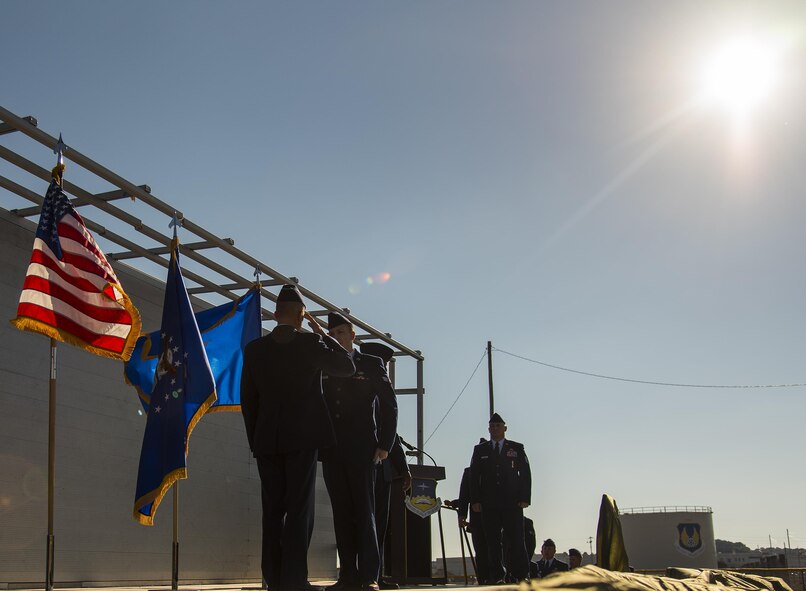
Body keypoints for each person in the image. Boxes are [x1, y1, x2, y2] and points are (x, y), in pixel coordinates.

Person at [240, 284, 355, 591]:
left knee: (273, 509)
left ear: (275, 314)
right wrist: (327, 337)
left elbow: (248, 401)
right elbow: (346, 366)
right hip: (302, 440)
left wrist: (256, 440)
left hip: (267, 441)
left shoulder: (254, 350)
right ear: (302, 316)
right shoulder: (311, 343)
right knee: (299, 508)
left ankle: (274, 579)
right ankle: (294, 580)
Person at [318, 313, 398, 591]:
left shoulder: (370, 363)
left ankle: (369, 577)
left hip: (363, 447)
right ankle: (347, 576)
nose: (337, 337)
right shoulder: (325, 364)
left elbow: (389, 404)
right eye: (333, 333)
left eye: (342, 332)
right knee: (341, 511)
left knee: (365, 512)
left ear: (353, 335)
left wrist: (385, 444)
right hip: (333, 447)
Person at [361, 342, 411, 591]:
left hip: (385, 469)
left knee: (379, 523)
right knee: (366, 521)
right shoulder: (369, 388)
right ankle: (364, 574)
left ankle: (375, 575)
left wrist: (404, 469)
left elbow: (393, 436)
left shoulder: (381, 388)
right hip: (367, 462)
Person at [469, 413, 531, 583]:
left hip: (512, 502)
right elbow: (474, 476)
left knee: (517, 539)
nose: (495, 429)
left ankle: (521, 574)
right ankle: (497, 575)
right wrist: (475, 500)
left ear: (505, 428)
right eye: (492, 426)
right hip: (489, 504)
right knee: (493, 542)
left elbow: (525, 473)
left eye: (498, 425)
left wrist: (525, 497)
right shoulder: (481, 449)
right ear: (489, 429)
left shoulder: (516, 448)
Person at [448, 461, 489, 585]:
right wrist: (461, 514)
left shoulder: (496, 468)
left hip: (496, 518)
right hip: (477, 520)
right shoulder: (469, 472)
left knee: (496, 551)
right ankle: (483, 580)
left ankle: (497, 578)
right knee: (480, 551)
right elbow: (465, 495)